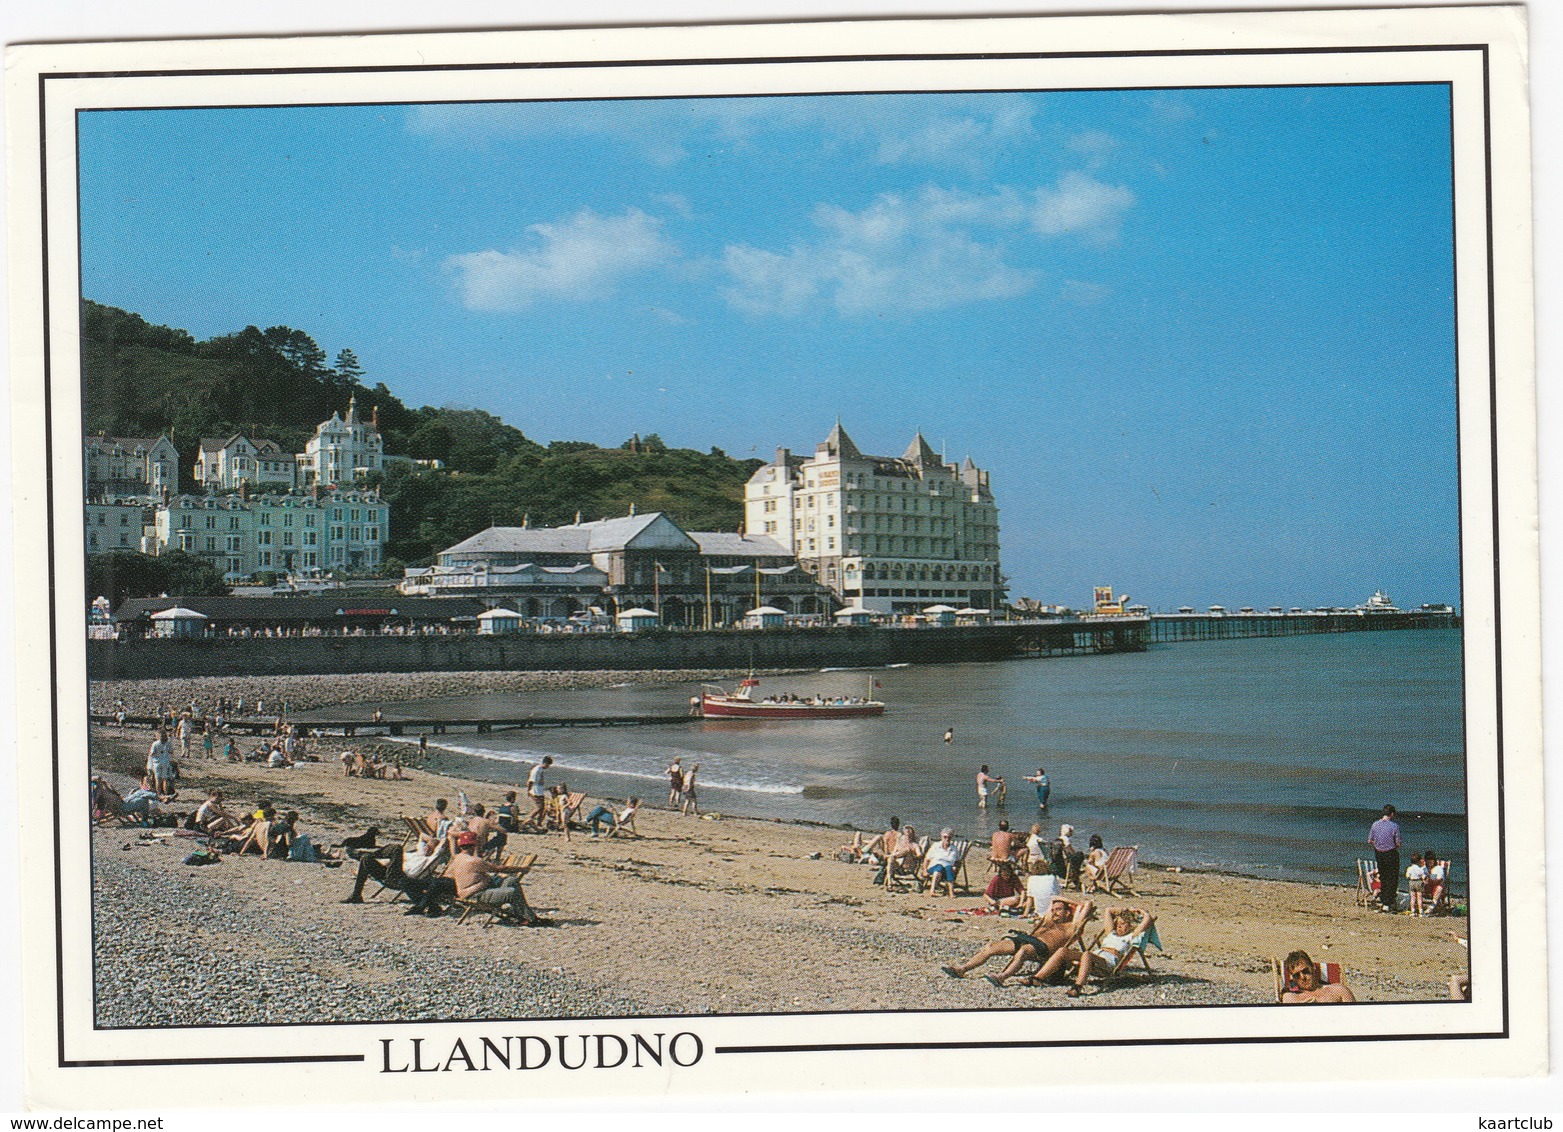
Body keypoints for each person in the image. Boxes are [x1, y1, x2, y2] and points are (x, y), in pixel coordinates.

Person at [941, 896, 1095, 986]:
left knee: (1024, 951)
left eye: (1059, 909)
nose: (1054, 912)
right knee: (991, 947)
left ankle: (1002, 977)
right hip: (1028, 939)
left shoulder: (1073, 926)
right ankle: (962, 969)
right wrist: (1058, 904)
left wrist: (1073, 904)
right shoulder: (1049, 920)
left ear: (1068, 912)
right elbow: (1053, 898)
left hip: (1042, 949)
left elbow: (1088, 905)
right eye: (1053, 909)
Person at [1062, 907, 1156, 997]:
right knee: (1063, 951)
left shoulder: (1131, 936)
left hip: (1108, 961)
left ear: (1131, 926)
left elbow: (1147, 920)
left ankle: (1077, 987)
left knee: (1087, 954)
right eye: (1117, 923)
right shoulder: (1111, 933)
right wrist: (1125, 910)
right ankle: (1048, 977)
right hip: (1096, 956)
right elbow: (1108, 911)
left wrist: (1140, 911)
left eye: (1122, 924)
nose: (1118, 926)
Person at [1279, 949, 1357, 1003]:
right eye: (1297, 975)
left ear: (1313, 967)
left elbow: (1355, 1016)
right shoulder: (1291, 997)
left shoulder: (1339, 990)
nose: (1302, 977)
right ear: (1293, 978)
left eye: (1305, 971)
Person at [1368, 804, 1402, 912]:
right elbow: (1398, 843)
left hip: (1379, 853)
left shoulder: (1375, 824)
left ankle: (1384, 901)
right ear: (1391, 814)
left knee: (1383, 877)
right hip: (1390, 853)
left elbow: (1370, 840)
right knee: (1392, 878)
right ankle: (1388, 902)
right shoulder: (1394, 826)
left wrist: (1378, 844)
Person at [922, 828, 962, 895]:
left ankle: (951, 893)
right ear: (941, 837)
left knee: (949, 867)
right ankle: (932, 890)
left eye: (949, 837)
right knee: (939, 867)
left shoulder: (954, 848)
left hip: (947, 869)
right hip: (933, 868)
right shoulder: (936, 846)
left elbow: (958, 861)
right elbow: (926, 859)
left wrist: (955, 867)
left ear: (951, 838)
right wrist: (925, 870)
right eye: (945, 837)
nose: (947, 839)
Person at [146, 729, 175, 799]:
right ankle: (165, 794)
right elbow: (171, 752)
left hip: (157, 763)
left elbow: (152, 753)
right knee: (165, 779)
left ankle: (158, 795)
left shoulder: (155, 743)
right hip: (165, 762)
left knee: (158, 779)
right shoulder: (168, 743)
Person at [527, 757, 553, 828]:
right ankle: (530, 818)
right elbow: (530, 781)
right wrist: (529, 790)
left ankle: (539, 822)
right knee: (540, 807)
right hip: (535, 791)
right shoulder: (537, 770)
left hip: (540, 791)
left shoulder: (540, 769)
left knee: (542, 808)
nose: (548, 767)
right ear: (545, 763)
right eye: (548, 765)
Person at [1406, 853, 1428, 917]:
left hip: (1411, 882)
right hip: (1418, 882)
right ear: (1419, 861)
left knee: (1412, 897)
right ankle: (1420, 911)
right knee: (1419, 897)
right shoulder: (1420, 868)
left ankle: (1412, 911)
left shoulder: (1409, 868)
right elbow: (1423, 876)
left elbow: (1407, 876)